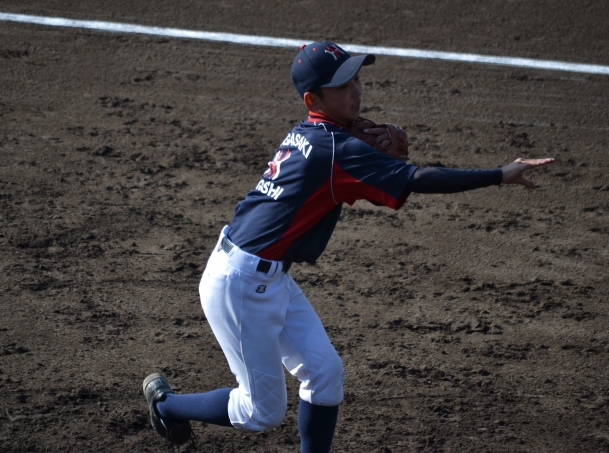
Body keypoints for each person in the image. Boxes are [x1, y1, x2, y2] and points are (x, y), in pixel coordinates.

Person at [142, 41, 554, 452]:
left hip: (262, 274)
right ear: (313, 99)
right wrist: (500, 174)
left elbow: (343, 166)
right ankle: (167, 406)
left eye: (356, 79)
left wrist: (368, 153)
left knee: (324, 375)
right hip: (241, 286)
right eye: (342, 86)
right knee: (261, 412)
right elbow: (418, 179)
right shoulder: (336, 149)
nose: (356, 91)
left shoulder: (313, 133)